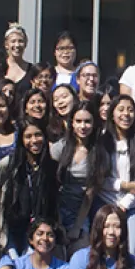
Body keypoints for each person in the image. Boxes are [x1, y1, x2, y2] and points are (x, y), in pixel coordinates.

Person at [94, 94, 135, 255]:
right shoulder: (103, 139)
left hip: (133, 206)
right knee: (102, 251)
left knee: (131, 253)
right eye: (120, 109)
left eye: (130, 110)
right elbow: (100, 179)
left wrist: (123, 206)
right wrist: (124, 185)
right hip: (105, 202)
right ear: (112, 114)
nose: (126, 114)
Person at [0, 121, 58, 257]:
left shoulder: (52, 166)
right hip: (12, 229)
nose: (34, 140)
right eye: (28, 136)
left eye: (38, 135)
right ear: (21, 139)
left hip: (39, 231)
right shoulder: (8, 164)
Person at [50, 104, 99, 252]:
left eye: (87, 121)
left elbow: (91, 192)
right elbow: (51, 186)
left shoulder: (98, 151)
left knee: (80, 249)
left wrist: (77, 226)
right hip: (57, 209)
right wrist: (58, 223)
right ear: (71, 122)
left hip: (81, 211)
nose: (83, 126)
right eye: (78, 121)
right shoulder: (60, 148)